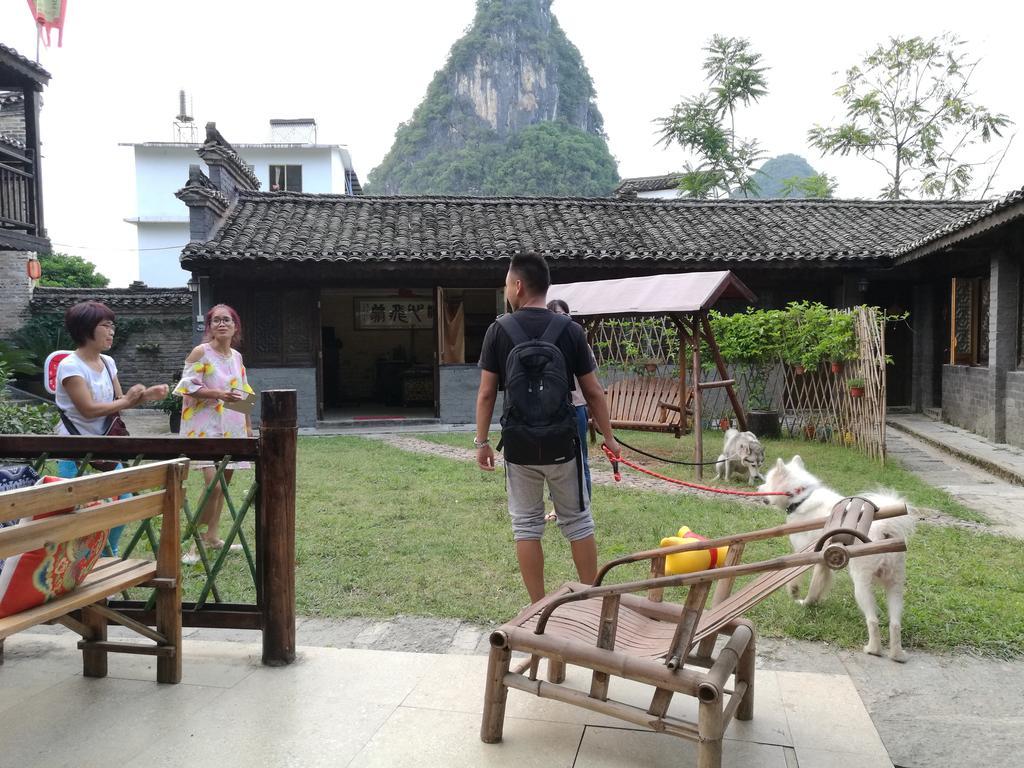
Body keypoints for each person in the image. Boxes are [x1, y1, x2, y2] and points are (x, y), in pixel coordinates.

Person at [475, 253, 620, 604]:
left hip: (519, 447)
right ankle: (591, 602)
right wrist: (610, 439)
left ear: (519, 285)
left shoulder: (498, 330)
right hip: (562, 445)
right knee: (579, 523)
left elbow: (486, 394)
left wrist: (482, 442)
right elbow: (593, 392)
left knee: (526, 526)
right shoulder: (570, 330)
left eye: (508, 283)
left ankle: (538, 607)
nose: (507, 289)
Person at [54, 301, 168, 553]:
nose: (111, 331)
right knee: (74, 512)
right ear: (85, 329)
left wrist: (146, 395)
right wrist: (127, 399)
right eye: (105, 325)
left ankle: (106, 556)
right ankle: (79, 564)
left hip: (105, 446)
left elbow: (117, 404)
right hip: (73, 449)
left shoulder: (107, 362)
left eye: (112, 326)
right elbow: (88, 408)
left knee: (123, 503)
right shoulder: (70, 366)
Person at [173, 304, 255, 560]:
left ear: (235, 326)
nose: (222, 324)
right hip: (203, 429)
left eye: (227, 320)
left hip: (231, 428)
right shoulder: (201, 352)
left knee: (224, 485)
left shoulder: (237, 357)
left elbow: (242, 391)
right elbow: (186, 387)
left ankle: (213, 537)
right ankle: (194, 544)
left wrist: (249, 427)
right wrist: (218, 394)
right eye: (216, 320)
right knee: (213, 487)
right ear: (209, 327)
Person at [546, 298, 594, 499]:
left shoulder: (577, 340)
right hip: (551, 410)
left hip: (576, 408)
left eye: (566, 315)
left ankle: (585, 503)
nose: (562, 320)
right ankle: (557, 505)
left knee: (580, 458)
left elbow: (592, 385)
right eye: (557, 315)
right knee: (552, 460)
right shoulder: (544, 344)